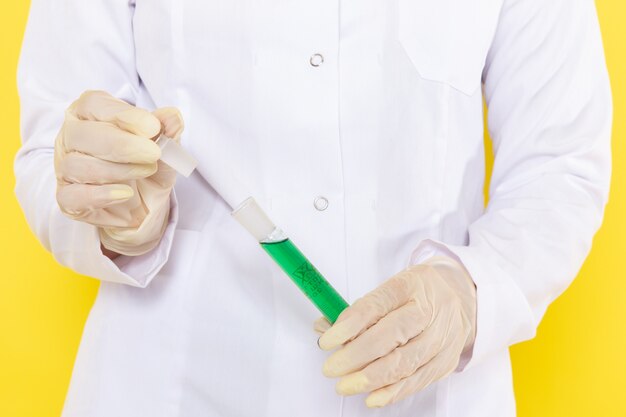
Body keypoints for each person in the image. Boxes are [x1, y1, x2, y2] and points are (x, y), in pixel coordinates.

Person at [14, 1, 611, 416]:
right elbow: (53, 151)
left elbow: (560, 164)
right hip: (176, 383)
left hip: (428, 399)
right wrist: (113, 206)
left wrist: (467, 294)